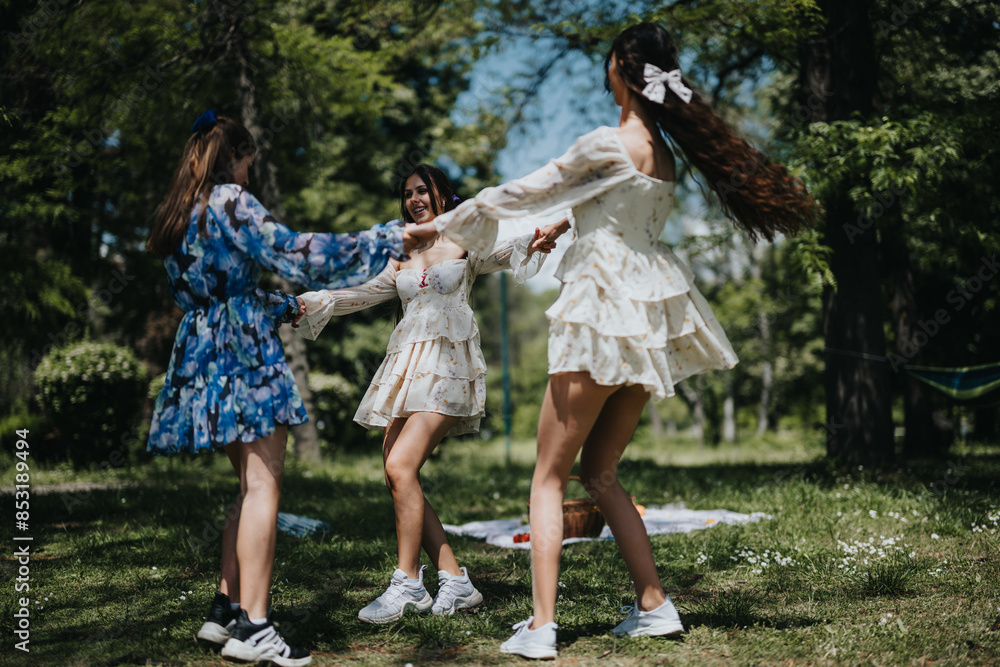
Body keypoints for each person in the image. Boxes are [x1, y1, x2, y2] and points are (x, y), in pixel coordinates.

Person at [430, 23, 822, 659]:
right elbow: (620, 206)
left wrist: (444, 226)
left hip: (602, 312)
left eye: (607, 62)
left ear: (620, 69)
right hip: (649, 319)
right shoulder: (663, 152)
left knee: (548, 476)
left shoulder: (607, 141)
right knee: (601, 473)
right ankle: (654, 604)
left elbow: (521, 189)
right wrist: (569, 219)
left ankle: (541, 626)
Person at [146, 111, 433, 667]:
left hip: (201, 349)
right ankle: (256, 627)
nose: (250, 177)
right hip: (243, 350)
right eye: (249, 164)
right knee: (265, 485)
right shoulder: (231, 200)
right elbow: (295, 252)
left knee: (248, 485)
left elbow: (217, 289)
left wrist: (281, 307)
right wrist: (385, 238)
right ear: (236, 155)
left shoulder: (180, 213)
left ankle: (224, 609)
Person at [295, 164, 553, 625]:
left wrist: (536, 237)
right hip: (407, 368)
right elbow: (364, 293)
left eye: (423, 190)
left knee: (400, 465)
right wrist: (315, 301)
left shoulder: (464, 239)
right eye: (408, 193)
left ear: (441, 193)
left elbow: (506, 251)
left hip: (451, 366)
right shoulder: (401, 252)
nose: (415, 198)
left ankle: (408, 583)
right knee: (397, 474)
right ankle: (455, 581)